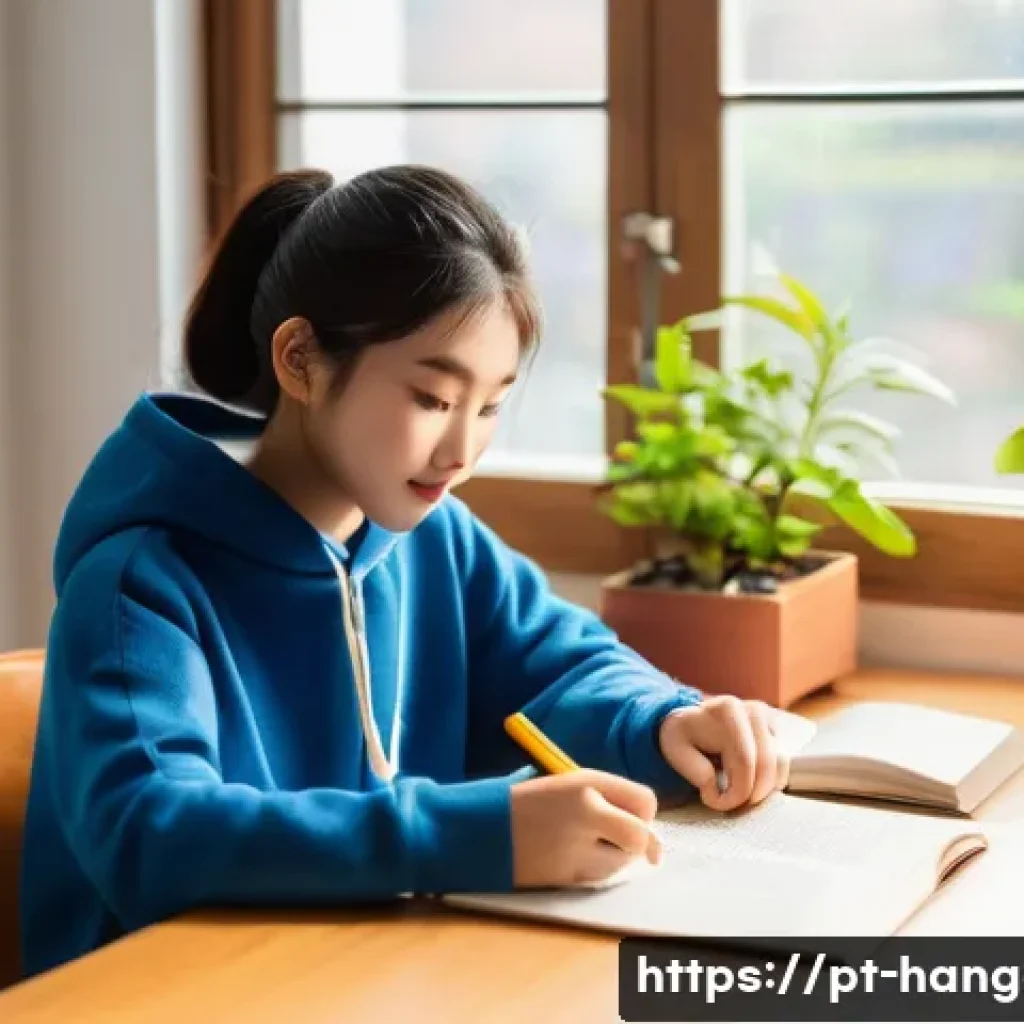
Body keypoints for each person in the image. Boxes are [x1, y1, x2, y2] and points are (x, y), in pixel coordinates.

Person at [20, 165, 787, 978]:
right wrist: (476, 836)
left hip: (363, 976)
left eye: (489, 406)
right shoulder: (141, 581)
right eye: (431, 398)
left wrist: (661, 723)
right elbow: (151, 835)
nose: (461, 452)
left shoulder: (434, 538)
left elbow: (564, 663)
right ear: (302, 360)